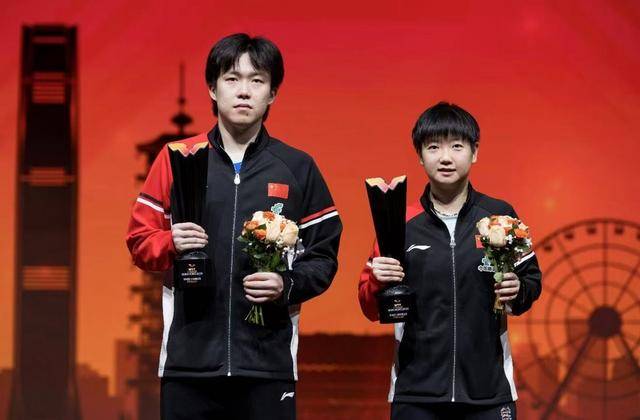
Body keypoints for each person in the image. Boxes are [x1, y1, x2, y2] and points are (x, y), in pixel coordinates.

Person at [126, 33, 342, 420]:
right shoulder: (176, 159)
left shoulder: (298, 167)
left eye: (257, 80)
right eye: (232, 79)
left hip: (268, 367)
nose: (244, 91)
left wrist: (287, 284)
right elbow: (140, 241)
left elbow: (323, 255)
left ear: (272, 93)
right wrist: (170, 241)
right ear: (212, 88)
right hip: (189, 366)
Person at [358, 102, 542, 420]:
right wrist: (377, 281)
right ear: (420, 155)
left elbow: (531, 281)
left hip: (488, 393)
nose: (445, 157)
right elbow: (369, 307)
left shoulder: (500, 215)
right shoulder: (400, 223)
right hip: (416, 394)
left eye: (457, 146)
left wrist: (518, 289)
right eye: (433, 147)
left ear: (474, 152)